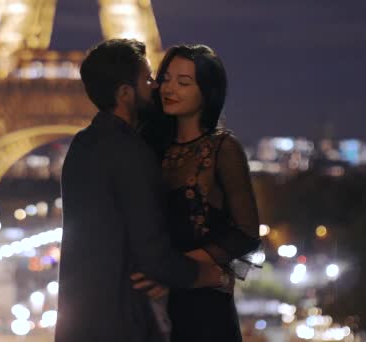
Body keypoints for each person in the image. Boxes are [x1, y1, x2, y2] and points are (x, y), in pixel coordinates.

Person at [55, 39, 227, 342]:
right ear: (125, 93)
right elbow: (154, 256)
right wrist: (211, 274)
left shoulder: (81, 146)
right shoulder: (131, 153)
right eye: (148, 80)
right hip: (122, 322)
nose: (156, 87)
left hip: (78, 324)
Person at [136, 44, 262, 341]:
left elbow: (245, 232)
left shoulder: (223, 149)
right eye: (165, 79)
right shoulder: (151, 146)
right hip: (154, 299)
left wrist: (174, 270)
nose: (169, 89)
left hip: (202, 306)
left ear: (207, 92)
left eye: (184, 82)